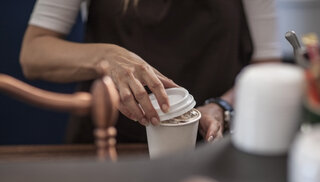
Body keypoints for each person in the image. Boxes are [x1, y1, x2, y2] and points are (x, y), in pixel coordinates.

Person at [20, 0, 281, 143]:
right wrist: (107, 57)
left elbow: (267, 66)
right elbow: (33, 54)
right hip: (111, 144)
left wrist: (222, 106)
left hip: (209, 146)